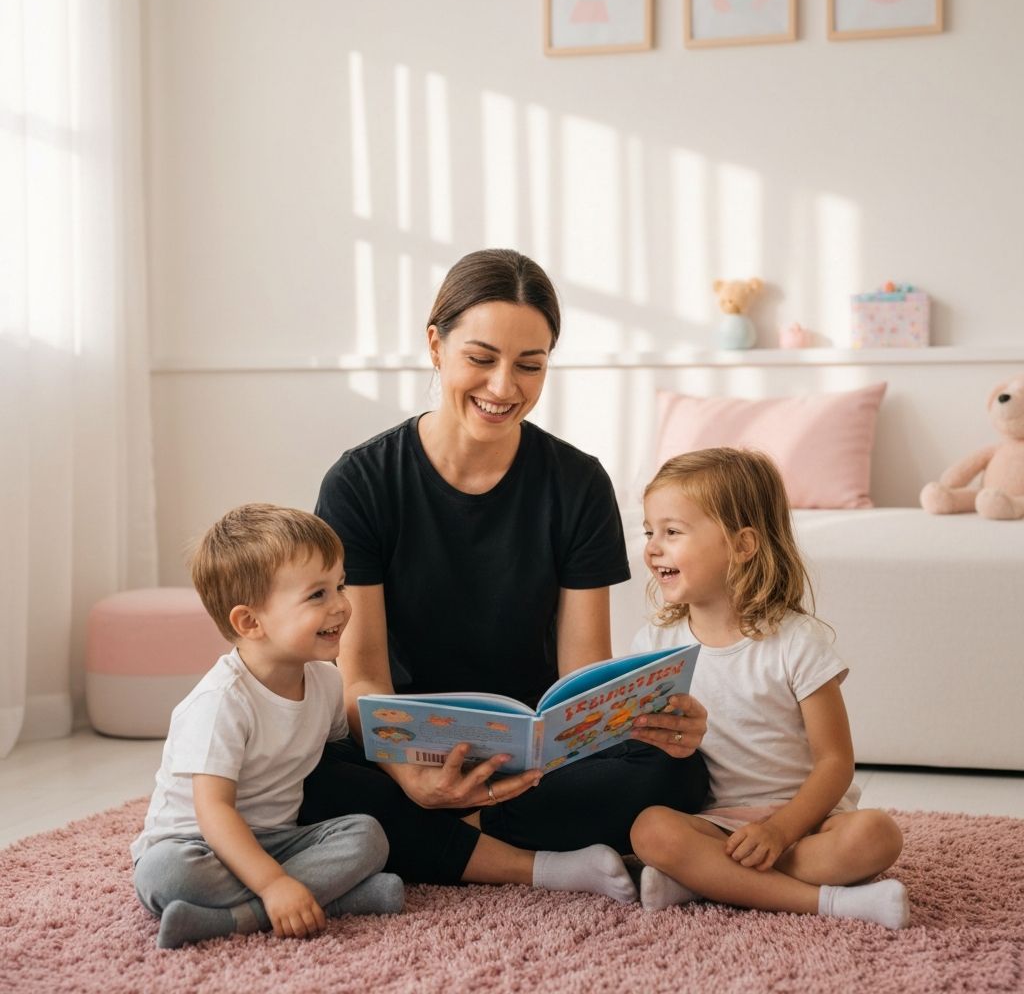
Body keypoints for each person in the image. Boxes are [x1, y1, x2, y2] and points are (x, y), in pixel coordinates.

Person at [301, 248, 709, 896]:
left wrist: (638, 720)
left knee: (680, 772)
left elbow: (582, 671)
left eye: (530, 365)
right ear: (436, 346)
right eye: (481, 358)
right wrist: (410, 775)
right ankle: (531, 859)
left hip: (534, 757)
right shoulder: (361, 482)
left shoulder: (577, 483)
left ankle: (452, 834)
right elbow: (364, 676)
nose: (503, 387)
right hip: (407, 751)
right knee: (298, 779)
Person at [628, 449, 909, 928]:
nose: (653, 546)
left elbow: (835, 761)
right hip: (718, 823)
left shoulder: (796, 642)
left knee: (877, 835)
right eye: (649, 530)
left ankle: (706, 880)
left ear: (742, 546)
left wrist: (781, 830)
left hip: (808, 821)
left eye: (672, 532)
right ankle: (830, 901)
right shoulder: (655, 643)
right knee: (650, 830)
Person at [131, 504, 404, 949]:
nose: (340, 605)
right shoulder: (221, 702)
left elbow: (343, 754)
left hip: (278, 839)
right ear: (250, 622)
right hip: (198, 845)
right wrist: (275, 884)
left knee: (368, 836)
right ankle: (320, 901)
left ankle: (234, 918)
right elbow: (214, 812)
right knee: (165, 875)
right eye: (317, 595)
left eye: (339, 585)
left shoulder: (325, 680)